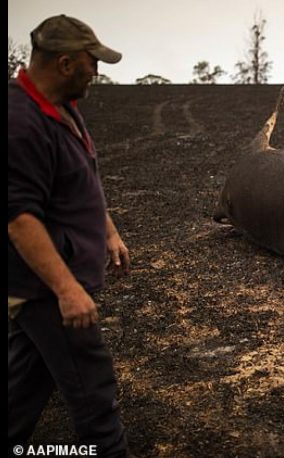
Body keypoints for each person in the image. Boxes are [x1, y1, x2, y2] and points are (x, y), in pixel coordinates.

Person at [8, 15, 130, 457]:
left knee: (21, 391)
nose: (96, 72)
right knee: (96, 403)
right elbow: (20, 218)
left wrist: (109, 229)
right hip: (47, 292)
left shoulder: (63, 109)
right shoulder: (20, 123)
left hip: (45, 291)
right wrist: (67, 290)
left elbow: (82, 183)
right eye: (90, 62)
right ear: (64, 63)